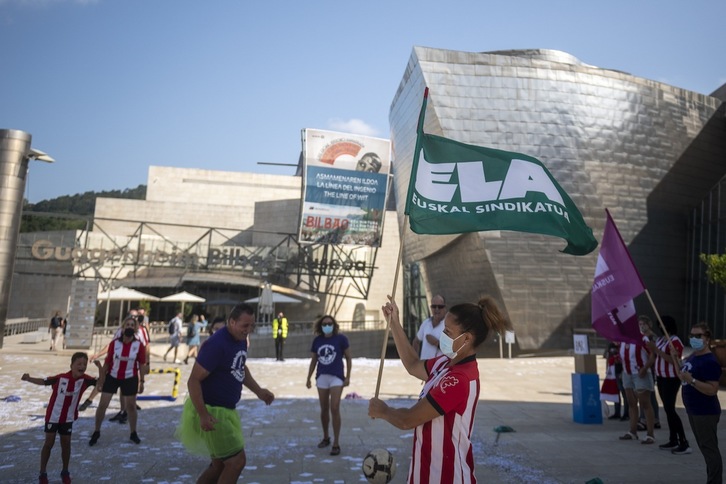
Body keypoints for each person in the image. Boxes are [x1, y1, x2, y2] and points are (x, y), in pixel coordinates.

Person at [369, 295, 510, 482]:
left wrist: (384, 411)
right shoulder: (446, 362)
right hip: (425, 473)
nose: (442, 336)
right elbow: (412, 364)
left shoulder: (460, 379)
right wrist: (394, 322)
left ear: (466, 338)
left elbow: (408, 420)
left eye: (448, 332)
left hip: (447, 476)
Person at [176, 303, 275, 483]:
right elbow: (193, 380)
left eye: (252, 325)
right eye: (245, 325)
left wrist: (259, 391)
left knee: (219, 465)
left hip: (225, 409)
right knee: (236, 462)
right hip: (213, 411)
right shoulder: (216, 345)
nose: (249, 330)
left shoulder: (241, 340)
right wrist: (203, 415)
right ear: (231, 322)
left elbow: (239, 367)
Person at [21, 352, 104, 484]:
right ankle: (43, 473)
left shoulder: (85, 380)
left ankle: (65, 471)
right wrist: (29, 378)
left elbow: (101, 384)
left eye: (84, 364)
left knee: (66, 444)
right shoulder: (61, 378)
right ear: (71, 365)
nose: (82, 366)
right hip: (53, 416)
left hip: (67, 418)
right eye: (79, 364)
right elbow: (44, 381)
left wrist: (100, 367)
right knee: (49, 443)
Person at [89, 315, 146, 446]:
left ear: (136, 328)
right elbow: (107, 363)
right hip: (113, 377)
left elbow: (142, 364)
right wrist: (101, 381)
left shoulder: (139, 345)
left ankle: (133, 432)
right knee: (103, 404)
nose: (130, 327)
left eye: (132, 325)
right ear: (123, 327)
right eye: (128, 325)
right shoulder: (115, 343)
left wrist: (142, 381)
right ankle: (96, 431)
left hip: (130, 377)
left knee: (131, 406)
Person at [678, 322, 722, 483]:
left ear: (707, 339)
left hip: (705, 411)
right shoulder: (693, 356)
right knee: (705, 448)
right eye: (692, 336)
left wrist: (693, 381)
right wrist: (676, 361)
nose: (694, 339)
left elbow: (712, 389)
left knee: (709, 449)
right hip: (694, 409)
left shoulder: (709, 361)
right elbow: (683, 376)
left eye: (698, 336)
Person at [306, 315, 352, 456]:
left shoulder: (341, 339)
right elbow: (314, 360)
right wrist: (308, 378)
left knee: (335, 407)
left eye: (330, 323)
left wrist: (348, 376)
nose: (327, 326)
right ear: (321, 326)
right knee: (324, 408)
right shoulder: (317, 341)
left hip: (337, 377)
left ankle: (336, 443)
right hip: (322, 377)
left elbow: (349, 358)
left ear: (334, 325)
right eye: (325, 324)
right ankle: (326, 437)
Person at [646, 315, 689, 453]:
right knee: (667, 409)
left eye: (662, 325)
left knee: (670, 409)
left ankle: (683, 441)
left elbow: (673, 360)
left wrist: (657, 350)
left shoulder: (675, 341)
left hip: (671, 378)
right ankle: (673, 439)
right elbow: (655, 355)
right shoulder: (661, 340)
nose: (660, 328)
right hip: (661, 377)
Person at [618, 315, 656, 444]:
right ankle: (632, 431)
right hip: (627, 373)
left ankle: (650, 434)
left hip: (640, 373)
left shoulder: (642, 338)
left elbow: (652, 356)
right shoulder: (623, 340)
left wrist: (644, 369)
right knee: (631, 402)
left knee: (645, 403)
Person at [412, 295, 446, 359]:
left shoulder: (448, 325)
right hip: (424, 366)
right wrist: (415, 361)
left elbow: (453, 350)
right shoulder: (426, 323)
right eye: (434, 306)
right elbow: (416, 341)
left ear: (445, 308)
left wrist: (436, 343)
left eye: (440, 307)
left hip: (441, 368)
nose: (437, 309)